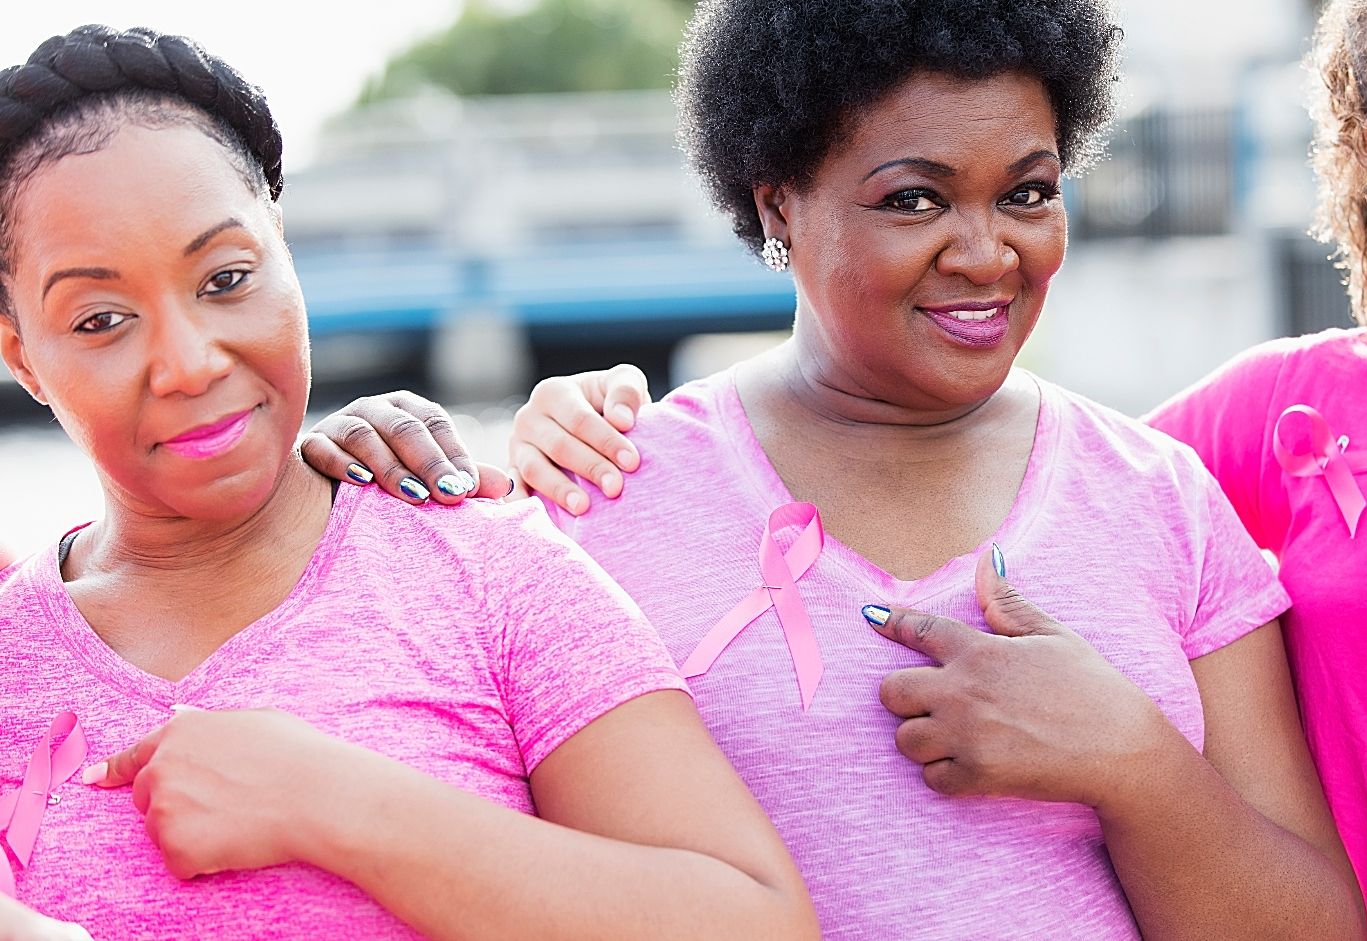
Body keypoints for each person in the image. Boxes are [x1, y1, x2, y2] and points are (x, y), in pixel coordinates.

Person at [439, 0, 1367, 936]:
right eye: (914, 198)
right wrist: (407, 445)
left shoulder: (1156, 495)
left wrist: (1132, 764)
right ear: (775, 200)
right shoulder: (602, 494)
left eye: (1028, 192)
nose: (988, 250)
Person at [0, 25, 817, 941]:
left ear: (285, 249)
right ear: (22, 355)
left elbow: (757, 923)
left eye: (227, 277)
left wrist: (337, 803)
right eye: (102, 319)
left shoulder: (487, 569)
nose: (187, 363)